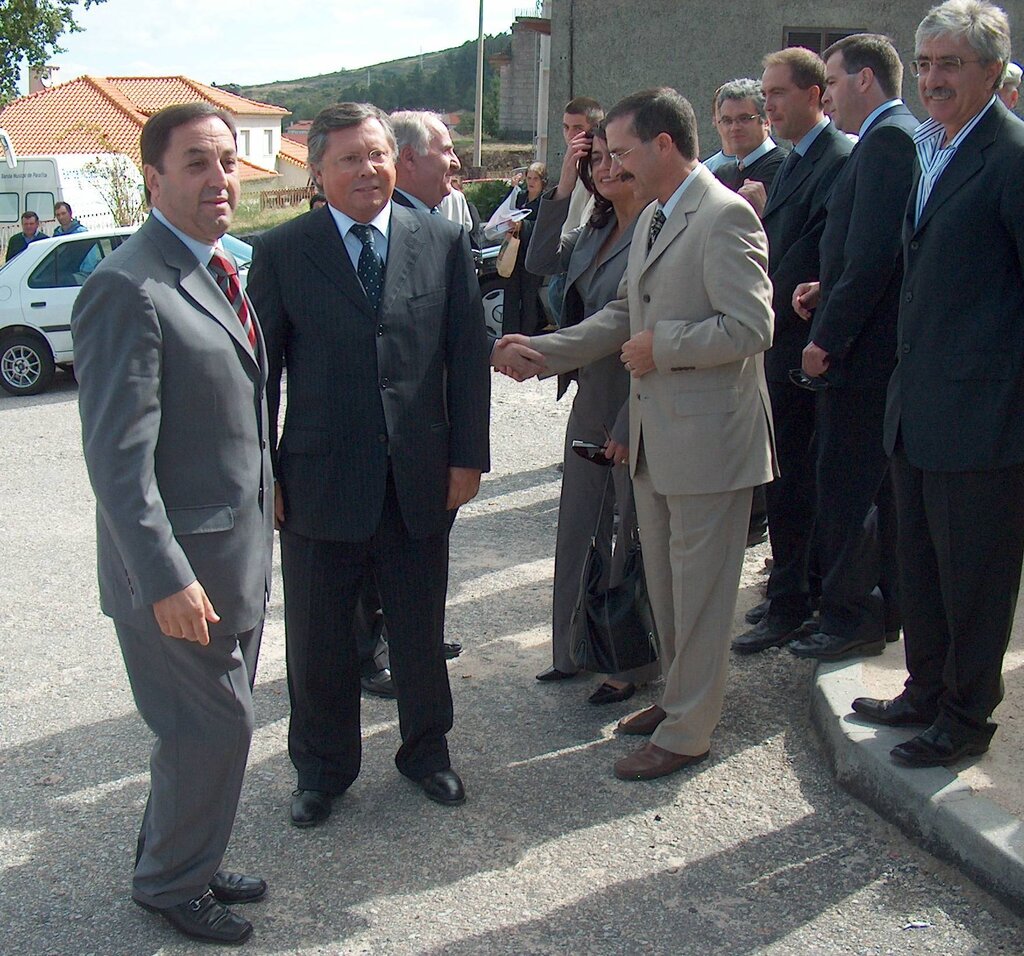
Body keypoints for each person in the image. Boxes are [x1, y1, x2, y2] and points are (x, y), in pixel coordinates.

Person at [496, 87, 775, 781]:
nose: (610, 164)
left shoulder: (723, 216)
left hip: (710, 444)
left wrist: (666, 345)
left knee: (704, 594)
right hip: (662, 440)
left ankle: (688, 732)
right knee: (672, 589)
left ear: (664, 145)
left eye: (621, 151)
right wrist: (548, 352)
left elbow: (752, 328)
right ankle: (681, 698)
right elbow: (622, 315)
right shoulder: (655, 217)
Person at [247, 103, 490, 825]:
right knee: (320, 641)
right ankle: (321, 771)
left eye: (378, 154)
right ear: (318, 172)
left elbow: (466, 358)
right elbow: (260, 375)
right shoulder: (285, 251)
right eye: (350, 158)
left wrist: (468, 456)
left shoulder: (442, 241)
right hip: (318, 481)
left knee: (419, 632)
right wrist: (266, 474)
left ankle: (428, 753)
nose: (369, 169)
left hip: (419, 478)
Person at [70, 103, 273, 945]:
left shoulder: (217, 268)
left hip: (233, 557)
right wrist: (166, 579)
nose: (217, 178)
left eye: (226, 160)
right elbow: (118, 464)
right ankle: (169, 883)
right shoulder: (128, 286)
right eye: (195, 162)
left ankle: (187, 845)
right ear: (153, 178)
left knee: (204, 733)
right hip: (178, 577)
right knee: (212, 727)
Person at [854, 0, 1024, 768]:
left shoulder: (1012, 156)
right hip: (917, 406)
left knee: (974, 580)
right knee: (919, 565)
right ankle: (924, 691)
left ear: (993, 70)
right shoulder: (933, 147)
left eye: (950, 63)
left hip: (983, 418)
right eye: (923, 64)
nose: (932, 79)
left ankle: (964, 717)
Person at [784, 34, 918, 663]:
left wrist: (826, 337)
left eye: (832, 83)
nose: (828, 96)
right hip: (862, 342)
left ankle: (851, 616)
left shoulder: (889, 140)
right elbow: (861, 254)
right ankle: (873, 607)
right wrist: (824, 286)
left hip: (860, 356)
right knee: (862, 486)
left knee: (848, 487)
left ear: (864, 80)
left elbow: (872, 257)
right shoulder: (887, 140)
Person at [524, 122, 657, 703]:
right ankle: (574, 649)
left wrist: (633, 419)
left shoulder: (660, 225)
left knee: (631, 530)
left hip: (640, 389)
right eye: (595, 159)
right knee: (580, 524)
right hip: (591, 394)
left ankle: (628, 662)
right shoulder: (595, 226)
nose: (605, 169)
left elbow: (642, 324)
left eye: (614, 157)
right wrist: (561, 186)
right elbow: (538, 261)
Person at [731, 47, 853, 654]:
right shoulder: (794, 161)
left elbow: (819, 252)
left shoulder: (840, 158)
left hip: (807, 346)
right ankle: (788, 589)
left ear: (815, 96)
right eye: (766, 93)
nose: (768, 105)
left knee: (799, 478)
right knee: (783, 479)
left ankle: (795, 599)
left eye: (777, 94)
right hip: (778, 342)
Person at [712, 78, 787, 192]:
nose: (734, 128)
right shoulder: (722, 174)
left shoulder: (784, 167)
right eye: (727, 120)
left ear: (766, 121)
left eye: (744, 118)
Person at [502, 161, 547, 335]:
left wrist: (524, 225)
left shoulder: (545, 201)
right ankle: (509, 336)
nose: (531, 182)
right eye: (529, 178)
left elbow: (544, 228)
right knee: (510, 297)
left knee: (529, 299)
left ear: (543, 181)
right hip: (514, 254)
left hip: (533, 256)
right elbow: (505, 209)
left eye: (535, 178)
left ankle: (527, 337)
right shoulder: (520, 197)